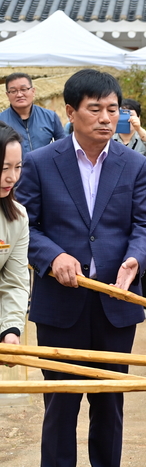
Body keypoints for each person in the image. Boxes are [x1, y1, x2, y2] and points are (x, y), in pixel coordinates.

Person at [15, 69, 146, 467]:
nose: (106, 118)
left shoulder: (134, 165)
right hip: (61, 304)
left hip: (116, 302)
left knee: (109, 404)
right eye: (94, 109)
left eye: (113, 110)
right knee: (60, 405)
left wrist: (136, 258)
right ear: (70, 112)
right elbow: (23, 223)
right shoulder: (41, 162)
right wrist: (52, 256)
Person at [113, 98, 146, 323]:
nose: (125, 115)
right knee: (118, 251)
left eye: (129, 112)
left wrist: (139, 129)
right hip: (114, 201)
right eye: (121, 111)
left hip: (141, 201)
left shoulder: (142, 139)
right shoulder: (110, 137)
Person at [0, 123, 29, 347]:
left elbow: (14, 282)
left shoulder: (18, 217)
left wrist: (10, 330)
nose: (12, 178)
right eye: (3, 168)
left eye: (17, 167)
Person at [0, 72, 65, 154]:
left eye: (23, 89)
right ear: (7, 95)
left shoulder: (50, 117)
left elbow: (63, 147)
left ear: (33, 91)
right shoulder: (1, 121)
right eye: (13, 91)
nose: (19, 94)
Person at [113, 98, 146, 166]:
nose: (127, 119)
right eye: (122, 115)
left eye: (130, 115)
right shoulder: (108, 139)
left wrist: (139, 129)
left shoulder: (144, 138)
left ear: (138, 117)